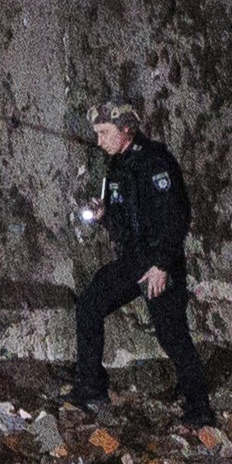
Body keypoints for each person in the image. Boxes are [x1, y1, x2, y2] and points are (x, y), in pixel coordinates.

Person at [66, 101, 213, 428]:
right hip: (132, 261)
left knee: (172, 334)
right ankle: (91, 387)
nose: (100, 140)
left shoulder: (156, 161)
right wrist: (104, 215)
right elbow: (124, 218)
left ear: (126, 130)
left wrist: (162, 265)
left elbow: (176, 216)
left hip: (159, 264)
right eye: (98, 134)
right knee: (90, 304)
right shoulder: (117, 166)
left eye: (105, 133)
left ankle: (199, 408)